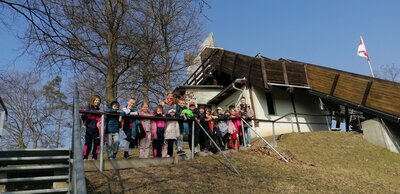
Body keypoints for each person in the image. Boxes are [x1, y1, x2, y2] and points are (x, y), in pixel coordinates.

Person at [81, 95, 102, 160]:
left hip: (97, 129)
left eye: (98, 101)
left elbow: (101, 118)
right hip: (89, 128)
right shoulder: (88, 108)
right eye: (96, 100)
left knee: (97, 142)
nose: (97, 102)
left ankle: (94, 156)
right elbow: (83, 116)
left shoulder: (99, 110)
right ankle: (85, 155)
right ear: (93, 101)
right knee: (88, 142)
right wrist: (84, 116)